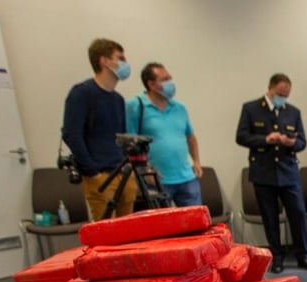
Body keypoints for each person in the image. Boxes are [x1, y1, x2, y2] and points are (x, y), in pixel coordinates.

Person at [236, 73, 307, 273]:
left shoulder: (293, 112)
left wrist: (292, 143)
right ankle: (277, 256)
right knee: (270, 217)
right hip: (263, 172)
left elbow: (302, 142)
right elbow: (241, 136)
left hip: (288, 171)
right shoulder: (251, 108)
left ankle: (304, 255)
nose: (283, 97)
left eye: (287, 94)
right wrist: (265, 139)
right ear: (270, 89)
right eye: (281, 93)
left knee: (298, 214)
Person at [62, 38, 137, 221]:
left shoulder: (118, 100)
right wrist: (92, 171)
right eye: (120, 58)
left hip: (122, 173)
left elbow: (121, 137)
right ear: (104, 61)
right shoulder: (82, 93)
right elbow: (71, 134)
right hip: (100, 176)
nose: (124, 64)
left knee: (131, 231)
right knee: (108, 235)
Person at [126, 62, 202, 207]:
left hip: (186, 178)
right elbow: (131, 144)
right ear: (151, 84)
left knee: (194, 224)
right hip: (156, 181)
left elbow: (190, 137)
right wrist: (145, 169)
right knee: (161, 227)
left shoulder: (179, 108)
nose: (170, 83)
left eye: (170, 78)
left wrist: (196, 161)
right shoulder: (135, 106)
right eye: (165, 80)